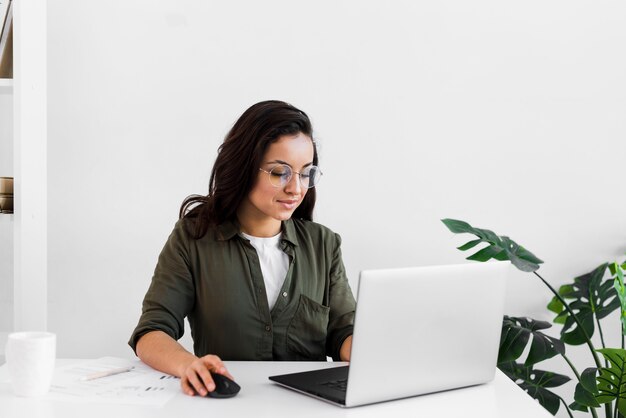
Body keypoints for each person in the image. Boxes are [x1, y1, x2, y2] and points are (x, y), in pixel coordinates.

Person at [128, 100, 356, 397]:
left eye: (305, 173)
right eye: (279, 173)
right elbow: (151, 332)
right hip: (228, 404)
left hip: (308, 406)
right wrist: (188, 365)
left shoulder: (323, 245)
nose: (296, 189)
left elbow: (343, 332)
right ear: (244, 168)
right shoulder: (193, 239)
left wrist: (373, 351)